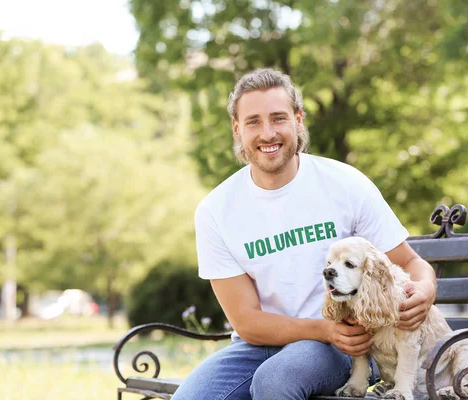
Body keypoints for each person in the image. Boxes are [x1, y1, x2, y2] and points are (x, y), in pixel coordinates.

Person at [172, 68, 437, 400]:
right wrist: (321, 328)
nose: (267, 133)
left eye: (278, 118)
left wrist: (425, 287)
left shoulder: (345, 183)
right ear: (237, 129)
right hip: (260, 346)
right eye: (253, 122)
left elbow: (410, 262)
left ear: (298, 120)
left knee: (275, 382)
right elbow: (247, 321)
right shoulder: (215, 210)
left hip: (346, 344)